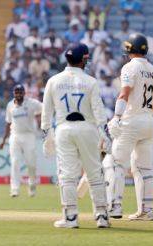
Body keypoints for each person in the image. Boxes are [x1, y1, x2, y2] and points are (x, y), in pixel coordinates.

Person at [41, 43, 112, 228]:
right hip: (88, 129)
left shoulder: (54, 80)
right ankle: (102, 217)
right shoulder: (91, 81)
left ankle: (70, 218)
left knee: (67, 176)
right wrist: (105, 134)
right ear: (84, 59)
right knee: (95, 173)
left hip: (64, 130)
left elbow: (46, 112)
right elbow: (98, 111)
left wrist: (47, 135)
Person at [104, 33, 153, 221]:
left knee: (116, 163)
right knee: (144, 168)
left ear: (130, 49)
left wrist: (116, 117)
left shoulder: (129, 67)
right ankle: (147, 210)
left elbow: (124, 93)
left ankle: (114, 206)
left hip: (131, 120)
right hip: (148, 121)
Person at [0, 84, 41, 197]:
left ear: (24, 93)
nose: (18, 94)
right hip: (15, 136)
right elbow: (8, 123)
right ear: (14, 93)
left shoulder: (32, 103)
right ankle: (15, 189)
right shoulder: (10, 105)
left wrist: (42, 121)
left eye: (20, 92)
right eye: (16, 92)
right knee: (15, 162)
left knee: (31, 163)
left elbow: (44, 108)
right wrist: (3, 140)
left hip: (29, 135)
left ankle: (32, 186)